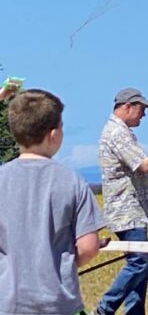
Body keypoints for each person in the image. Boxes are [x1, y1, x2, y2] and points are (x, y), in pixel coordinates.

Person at [0, 89, 105, 315]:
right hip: (60, 303)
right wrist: (63, 264)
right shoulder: (72, 181)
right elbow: (89, 246)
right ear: (54, 135)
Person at [94, 88, 148, 315]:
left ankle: (134, 312)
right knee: (138, 264)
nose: (144, 115)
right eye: (142, 109)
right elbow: (144, 164)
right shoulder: (117, 133)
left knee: (141, 268)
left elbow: (138, 173)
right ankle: (105, 308)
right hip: (127, 211)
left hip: (131, 210)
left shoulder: (121, 133)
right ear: (127, 106)